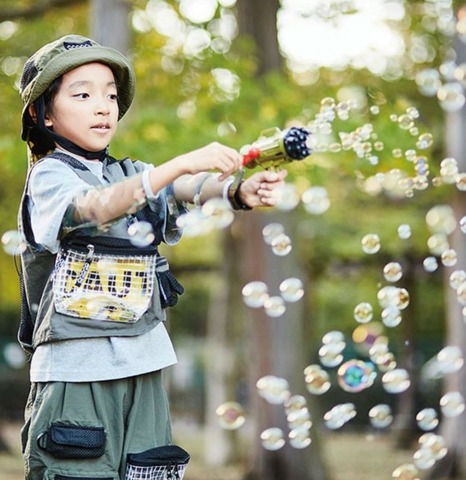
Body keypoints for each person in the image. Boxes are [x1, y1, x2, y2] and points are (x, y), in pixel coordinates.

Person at [17, 34, 287, 480]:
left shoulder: (130, 172)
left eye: (110, 94)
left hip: (144, 366)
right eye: (82, 94)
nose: (103, 106)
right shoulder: (50, 176)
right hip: (76, 376)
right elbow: (97, 206)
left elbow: (185, 188)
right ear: (42, 112)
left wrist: (237, 191)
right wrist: (177, 164)